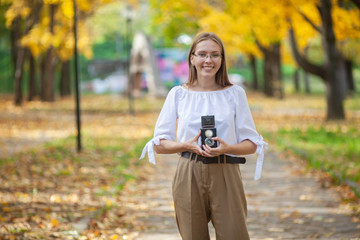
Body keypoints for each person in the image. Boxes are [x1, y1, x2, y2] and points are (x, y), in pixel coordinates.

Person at [140, 32, 267, 240]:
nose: (208, 60)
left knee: (234, 236)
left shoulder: (235, 93)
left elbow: (251, 144)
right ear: (192, 58)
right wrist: (185, 145)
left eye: (215, 55)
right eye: (202, 54)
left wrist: (227, 148)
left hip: (226, 171)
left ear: (222, 59)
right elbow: (160, 144)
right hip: (188, 172)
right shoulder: (178, 94)